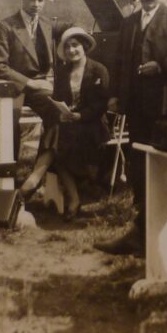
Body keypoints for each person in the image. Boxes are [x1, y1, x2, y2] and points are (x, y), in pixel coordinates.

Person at [94, 0, 167, 256]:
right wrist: (115, 96)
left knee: (162, 156)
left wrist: (161, 66)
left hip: (164, 102)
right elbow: (120, 61)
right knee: (137, 154)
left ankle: (163, 212)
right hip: (135, 103)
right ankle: (142, 208)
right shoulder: (130, 21)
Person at [0, 0, 71, 200]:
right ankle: (10, 177)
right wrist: (29, 82)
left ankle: (37, 174)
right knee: (10, 123)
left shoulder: (46, 23)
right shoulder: (6, 26)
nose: (36, 4)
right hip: (13, 86)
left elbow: (69, 30)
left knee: (58, 113)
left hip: (40, 85)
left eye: (41, 0)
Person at [51, 27, 110, 219]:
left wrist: (81, 116)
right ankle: (74, 200)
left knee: (75, 143)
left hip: (93, 122)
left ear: (84, 46)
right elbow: (57, 98)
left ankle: (89, 185)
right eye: (67, 47)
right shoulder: (62, 72)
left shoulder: (98, 70)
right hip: (69, 122)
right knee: (55, 147)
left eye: (75, 45)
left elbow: (102, 103)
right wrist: (62, 113)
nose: (71, 50)